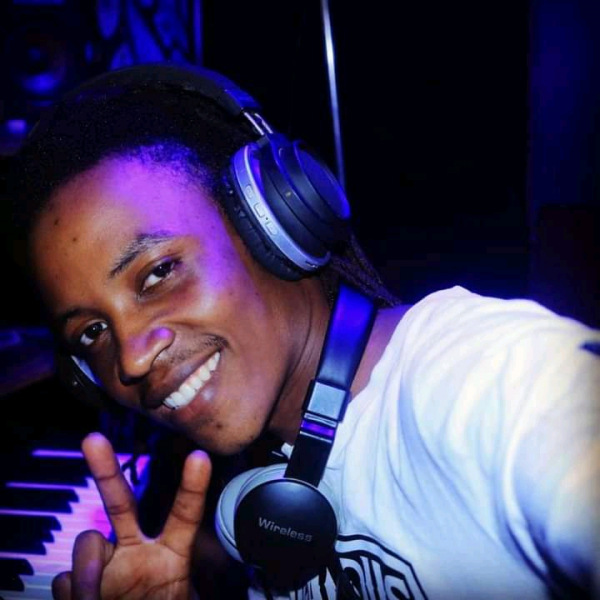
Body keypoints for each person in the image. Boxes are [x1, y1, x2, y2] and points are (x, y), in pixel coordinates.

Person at [9, 62, 600, 600]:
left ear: (270, 220)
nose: (132, 359)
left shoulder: (487, 376)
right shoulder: (253, 505)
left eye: (159, 272)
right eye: (92, 332)